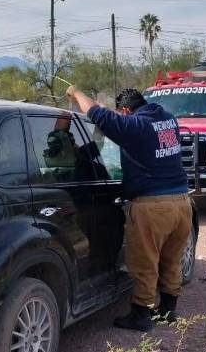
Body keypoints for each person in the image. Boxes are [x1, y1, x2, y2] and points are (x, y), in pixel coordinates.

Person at [66, 86, 191, 332]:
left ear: (125, 110)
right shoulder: (167, 119)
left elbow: (95, 113)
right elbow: (112, 117)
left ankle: (141, 315)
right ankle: (167, 310)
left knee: (144, 262)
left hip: (152, 207)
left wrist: (76, 92)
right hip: (182, 203)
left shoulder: (134, 127)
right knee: (171, 258)